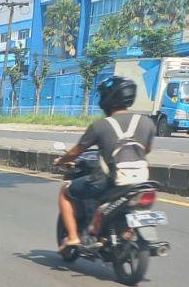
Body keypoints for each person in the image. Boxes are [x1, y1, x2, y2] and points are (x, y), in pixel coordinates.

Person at [53, 75, 154, 251]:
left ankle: (73, 237)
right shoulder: (147, 122)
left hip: (110, 181)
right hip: (140, 181)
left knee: (65, 191)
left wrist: (61, 160)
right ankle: (121, 232)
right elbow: (146, 149)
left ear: (108, 98)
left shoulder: (100, 126)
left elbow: (76, 152)